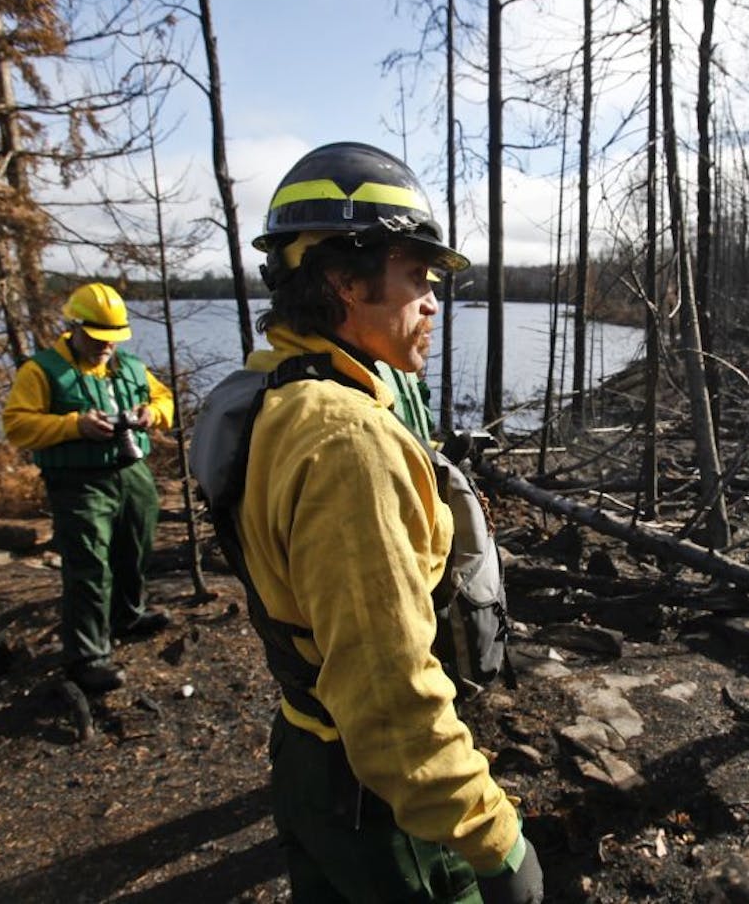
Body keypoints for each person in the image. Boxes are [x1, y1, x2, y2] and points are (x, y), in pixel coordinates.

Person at [191, 142, 542, 903]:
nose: (432, 302)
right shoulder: (348, 443)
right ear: (345, 280)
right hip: (376, 794)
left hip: (310, 752)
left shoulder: (280, 390)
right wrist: (495, 837)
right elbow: (388, 699)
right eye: (417, 276)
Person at [3, 283, 173, 693]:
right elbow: (16, 425)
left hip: (131, 471)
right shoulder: (40, 371)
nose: (105, 347)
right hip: (78, 479)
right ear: (75, 327)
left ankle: (127, 616)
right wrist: (74, 425)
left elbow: (164, 398)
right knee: (89, 565)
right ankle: (87, 657)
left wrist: (153, 413)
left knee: (135, 546)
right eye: (98, 339)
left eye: (112, 340)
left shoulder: (129, 366)